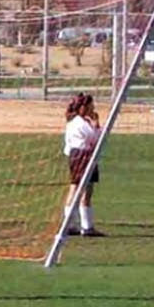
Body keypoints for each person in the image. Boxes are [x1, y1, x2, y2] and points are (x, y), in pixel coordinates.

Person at [61, 92, 102, 238]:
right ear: (84, 107)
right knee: (85, 191)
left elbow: (67, 144)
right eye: (91, 105)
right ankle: (86, 226)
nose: (94, 107)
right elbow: (95, 139)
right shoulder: (81, 123)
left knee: (75, 188)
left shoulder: (72, 122)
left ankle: (71, 224)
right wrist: (96, 124)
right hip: (83, 155)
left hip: (74, 155)